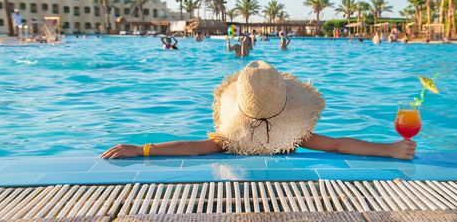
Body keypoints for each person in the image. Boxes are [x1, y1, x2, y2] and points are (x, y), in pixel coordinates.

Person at [102, 61, 416, 160]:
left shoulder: (230, 140)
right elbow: (337, 144)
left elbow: (192, 148)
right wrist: (388, 150)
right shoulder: (295, 138)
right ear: (285, 106)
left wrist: (143, 149)